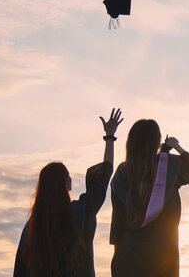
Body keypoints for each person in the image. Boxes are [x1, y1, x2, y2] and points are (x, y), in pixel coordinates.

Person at [14, 108, 123, 277]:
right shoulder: (81, 212)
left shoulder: (32, 227)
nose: (70, 178)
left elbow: (20, 272)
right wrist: (110, 137)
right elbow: (104, 176)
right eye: (68, 175)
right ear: (65, 183)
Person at [110, 118, 189, 277]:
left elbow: (117, 223)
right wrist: (176, 147)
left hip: (128, 255)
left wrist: (117, 259)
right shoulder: (170, 167)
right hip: (162, 257)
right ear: (156, 141)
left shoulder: (121, 173)